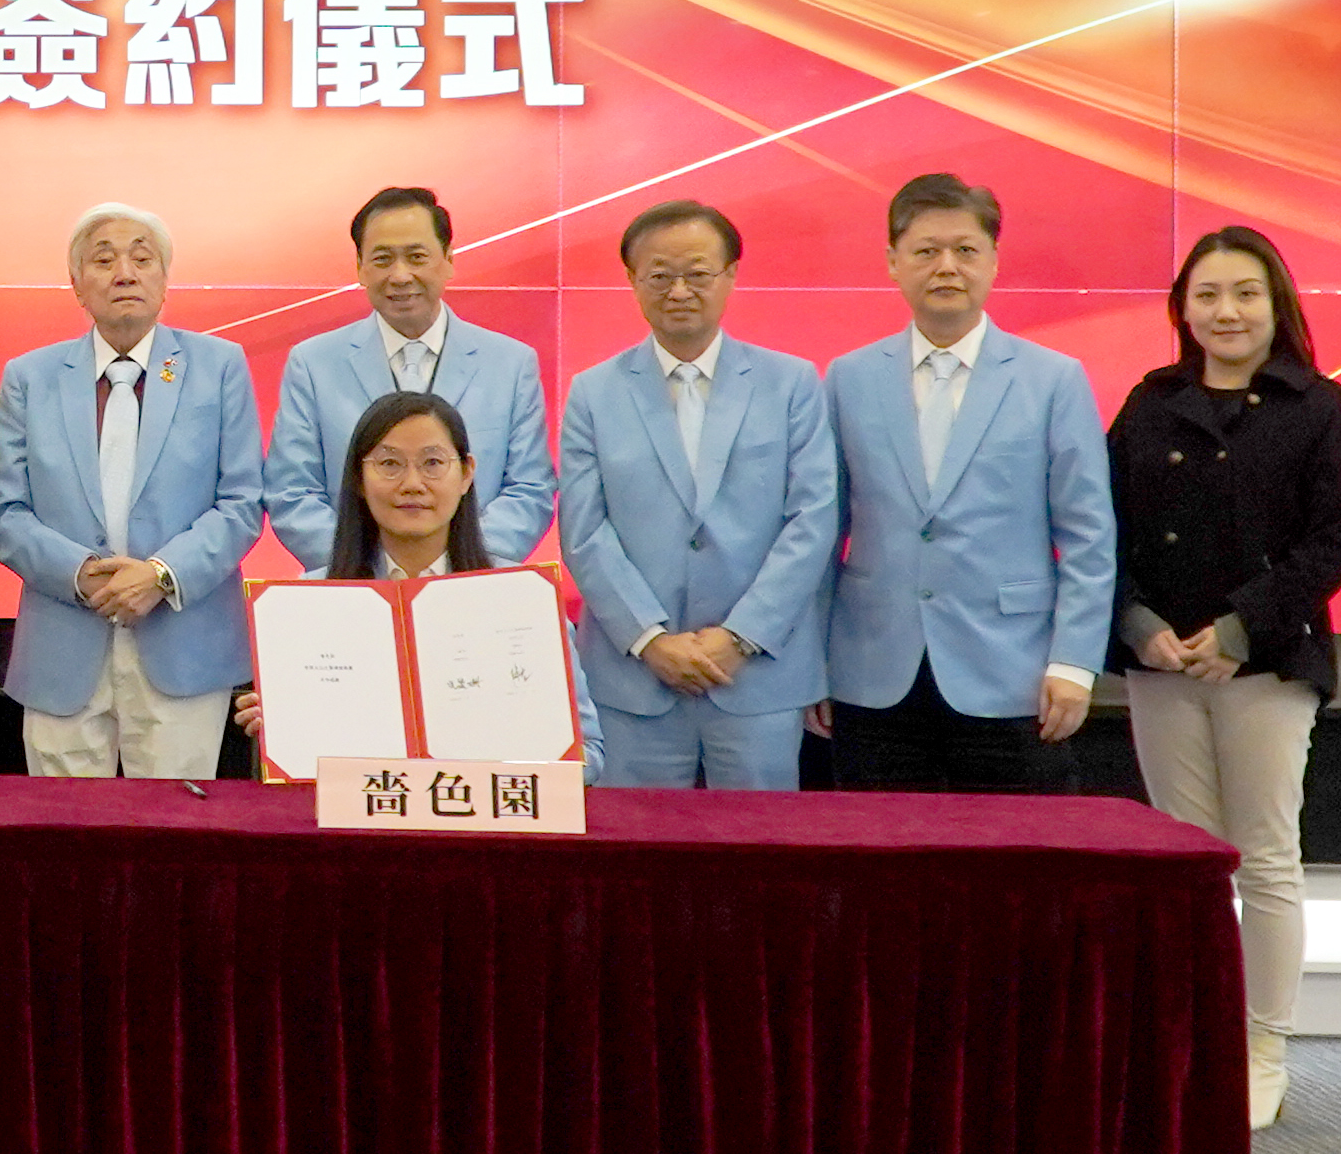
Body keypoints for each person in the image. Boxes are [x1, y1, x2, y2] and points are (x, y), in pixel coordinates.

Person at [1106, 226, 1341, 1130]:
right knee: (1186, 865)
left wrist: (1236, 628)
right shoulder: (1149, 403)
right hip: (1161, 666)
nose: (1226, 311)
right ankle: (1192, 1040)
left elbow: (1331, 546)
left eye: (1245, 293)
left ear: (1275, 304)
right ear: (1182, 309)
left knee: (1263, 860)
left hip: (1266, 666)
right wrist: (1138, 626)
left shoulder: (1320, 407)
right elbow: (1102, 531)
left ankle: (1261, 1049)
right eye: (1207, 294)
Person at [819, 173, 1116, 793]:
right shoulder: (848, 378)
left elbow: (1088, 534)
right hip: (871, 672)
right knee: (881, 846)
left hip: (1014, 674)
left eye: (965, 250)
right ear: (893, 263)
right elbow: (821, 532)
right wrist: (809, 665)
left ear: (993, 261)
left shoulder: (1052, 380)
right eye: (926, 251)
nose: (946, 267)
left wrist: (1074, 662)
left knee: (1014, 850)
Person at [558, 200, 839, 789]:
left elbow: (812, 521)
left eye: (698, 273)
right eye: (660, 275)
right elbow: (584, 532)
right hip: (634, 679)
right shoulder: (593, 392)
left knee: (760, 841)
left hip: (758, 674)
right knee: (633, 841)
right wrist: (650, 640)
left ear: (730, 275)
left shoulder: (791, 383)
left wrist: (741, 637)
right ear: (633, 281)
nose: (679, 291)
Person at [0, 202, 263, 779]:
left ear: (165, 277)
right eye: (104, 260)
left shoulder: (219, 366)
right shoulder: (29, 377)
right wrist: (81, 574)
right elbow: (5, 514)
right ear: (77, 285)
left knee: (174, 826)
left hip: (183, 643)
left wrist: (161, 575)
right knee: (64, 828)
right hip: (62, 645)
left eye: (142, 258)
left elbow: (242, 503)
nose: (125, 273)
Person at [232, 392, 598, 766]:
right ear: (358, 477)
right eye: (389, 464)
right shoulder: (308, 602)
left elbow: (589, 754)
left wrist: (546, 755)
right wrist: (283, 728)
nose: (412, 483)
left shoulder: (523, 598)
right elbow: (295, 766)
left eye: (433, 463)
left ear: (466, 473)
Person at [266, 185, 555, 571]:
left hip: (473, 584)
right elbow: (292, 493)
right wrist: (372, 569)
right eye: (382, 259)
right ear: (360, 267)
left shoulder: (511, 363)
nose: (400, 276)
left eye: (416, 257)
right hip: (354, 587)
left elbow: (529, 490)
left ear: (448, 259)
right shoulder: (313, 363)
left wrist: (454, 568)